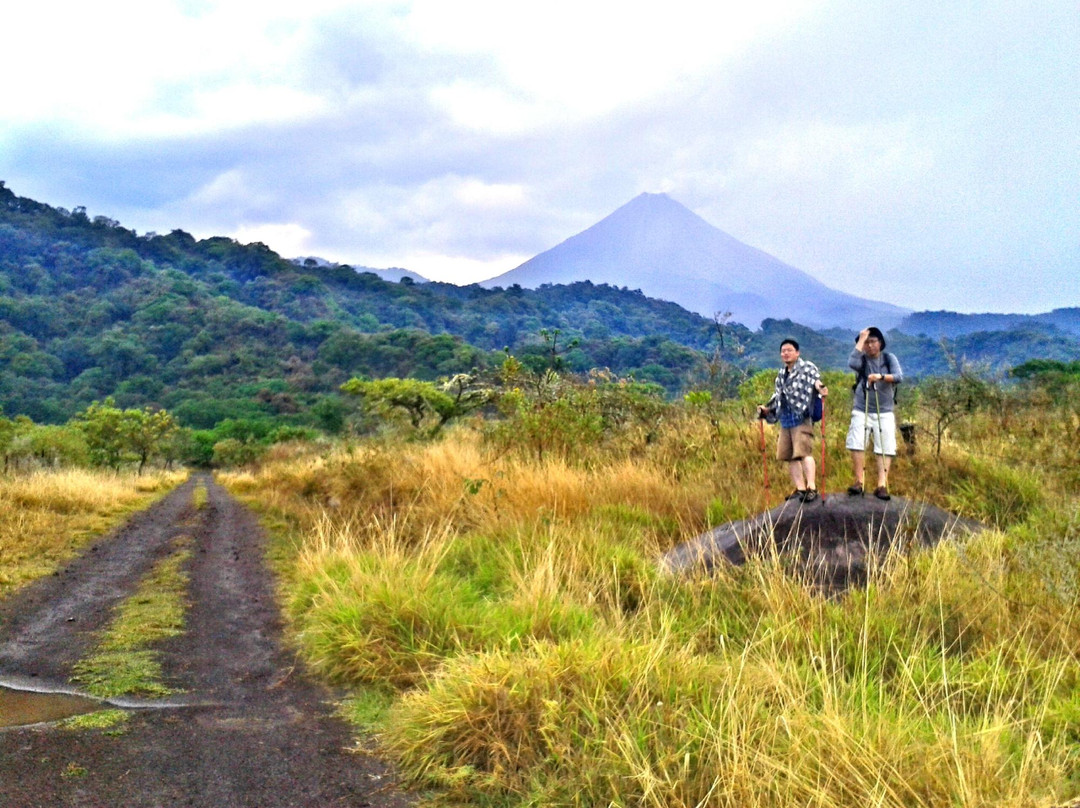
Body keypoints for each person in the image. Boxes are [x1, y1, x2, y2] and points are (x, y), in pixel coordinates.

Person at [758, 338, 829, 503]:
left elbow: (815, 381)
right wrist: (767, 410)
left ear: (797, 353)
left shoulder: (807, 368)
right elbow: (778, 397)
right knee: (790, 456)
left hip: (801, 417)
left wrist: (820, 388)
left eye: (789, 350)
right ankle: (800, 488)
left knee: (804, 453)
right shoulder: (781, 375)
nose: (785, 353)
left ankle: (812, 487)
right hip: (786, 419)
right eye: (783, 351)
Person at [845, 326, 903, 500]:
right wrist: (861, 339)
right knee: (857, 443)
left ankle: (882, 484)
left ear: (880, 342)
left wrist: (881, 377)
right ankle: (859, 482)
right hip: (861, 408)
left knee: (884, 447)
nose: (870, 346)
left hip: (884, 410)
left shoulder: (888, 358)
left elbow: (899, 377)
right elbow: (851, 362)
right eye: (867, 343)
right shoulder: (861, 359)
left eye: (873, 341)